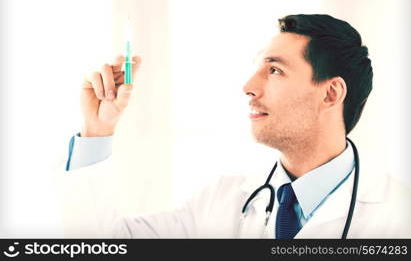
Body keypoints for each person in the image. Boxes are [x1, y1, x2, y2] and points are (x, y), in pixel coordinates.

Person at [59, 14, 411, 238]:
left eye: (274, 70)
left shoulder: (399, 214)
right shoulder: (222, 203)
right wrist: (96, 130)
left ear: (331, 93)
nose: (248, 87)